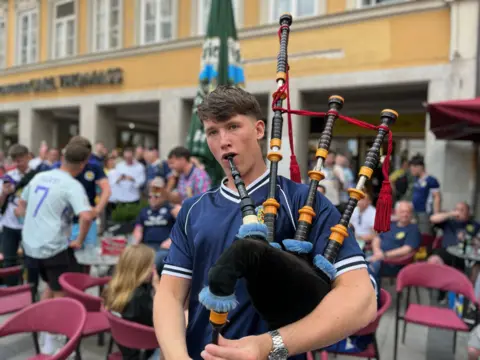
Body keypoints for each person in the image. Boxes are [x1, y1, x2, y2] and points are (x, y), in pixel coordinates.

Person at [154, 86, 377, 360]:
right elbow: (170, 297)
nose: (224, 140)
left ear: (259, 130)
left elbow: (361, 299)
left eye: (233, 126)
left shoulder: (302, 202)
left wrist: (268, 345)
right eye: (213, 131)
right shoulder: (193, 210)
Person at [15, 143, 93, 355]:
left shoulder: (40, 176)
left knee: (48, 287)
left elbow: (20, 207)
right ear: (84, 163)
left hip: (31, 244)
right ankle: (53, 341)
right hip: (52, 245)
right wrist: (79, 239)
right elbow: (86, 216)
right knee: (60, 293)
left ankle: (43, 331)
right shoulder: (71, 184)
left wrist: (32, 218)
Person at [103, 244, 164, 360]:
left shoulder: (113, 288)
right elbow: (162, 322)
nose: (154, 268)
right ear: (141, 269)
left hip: (127, 349)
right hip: (146, 350)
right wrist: (158, 288)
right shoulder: (139, 298)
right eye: (151, 266)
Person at [54, 136, 111, 251]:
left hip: (88, 220)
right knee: (66, 256)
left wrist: (97, 210)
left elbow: (107, 190)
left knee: (88, 256)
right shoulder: (59, 167)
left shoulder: (94, 167)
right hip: (65, 220)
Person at [0, 144, 33, 286]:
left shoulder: (36, 176)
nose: (19, 164)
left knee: (31, 260)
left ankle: (31, 290)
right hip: (10, 224)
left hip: (30, 224)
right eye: (16, 161)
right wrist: (4, 193)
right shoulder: (8, 177)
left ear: (28, 157)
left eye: (21, 160)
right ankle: (11, 292)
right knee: (9, 261)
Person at [368, 201, 421, 285]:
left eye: (408, 212)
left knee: (367, 269)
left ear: (411, 214)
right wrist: (377, 251)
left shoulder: (413, 229)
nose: (405, 214)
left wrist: (384, 255)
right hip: (377, 256)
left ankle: (374, 294)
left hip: (393, 263)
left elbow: (406, 249)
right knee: (356, 262)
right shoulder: (391, 224)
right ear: (396, 212)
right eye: (402, 211)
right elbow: (377, 238)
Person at [133, 177, 180, 273]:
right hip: (146, 246)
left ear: (163, 196)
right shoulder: (144, 211)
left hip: (164, 247)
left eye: (156, 196)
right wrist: (135, 242)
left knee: (155, 261)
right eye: (150, 197)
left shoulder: (170, 209)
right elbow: (138, 229)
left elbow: (182, 227)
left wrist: (172, 239)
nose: (152, 199)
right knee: (133, 260)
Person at [409, 156, 441, 235]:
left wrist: (436, 214)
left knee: (424, 235)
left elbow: (437, 197)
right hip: (414, 211)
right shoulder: (416, 179)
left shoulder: (431, 180)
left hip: (425, 212)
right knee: (414, 233)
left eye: (413, 169)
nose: (412, 171)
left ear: (420, 167)